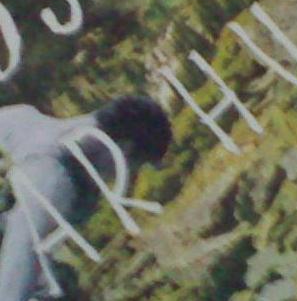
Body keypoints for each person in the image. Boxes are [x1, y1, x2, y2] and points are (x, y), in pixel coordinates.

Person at [0, 96, 172, 301]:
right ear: (125, 149)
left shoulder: (21, 116)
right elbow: (15, 275)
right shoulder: (55, 184)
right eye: (135, 165)